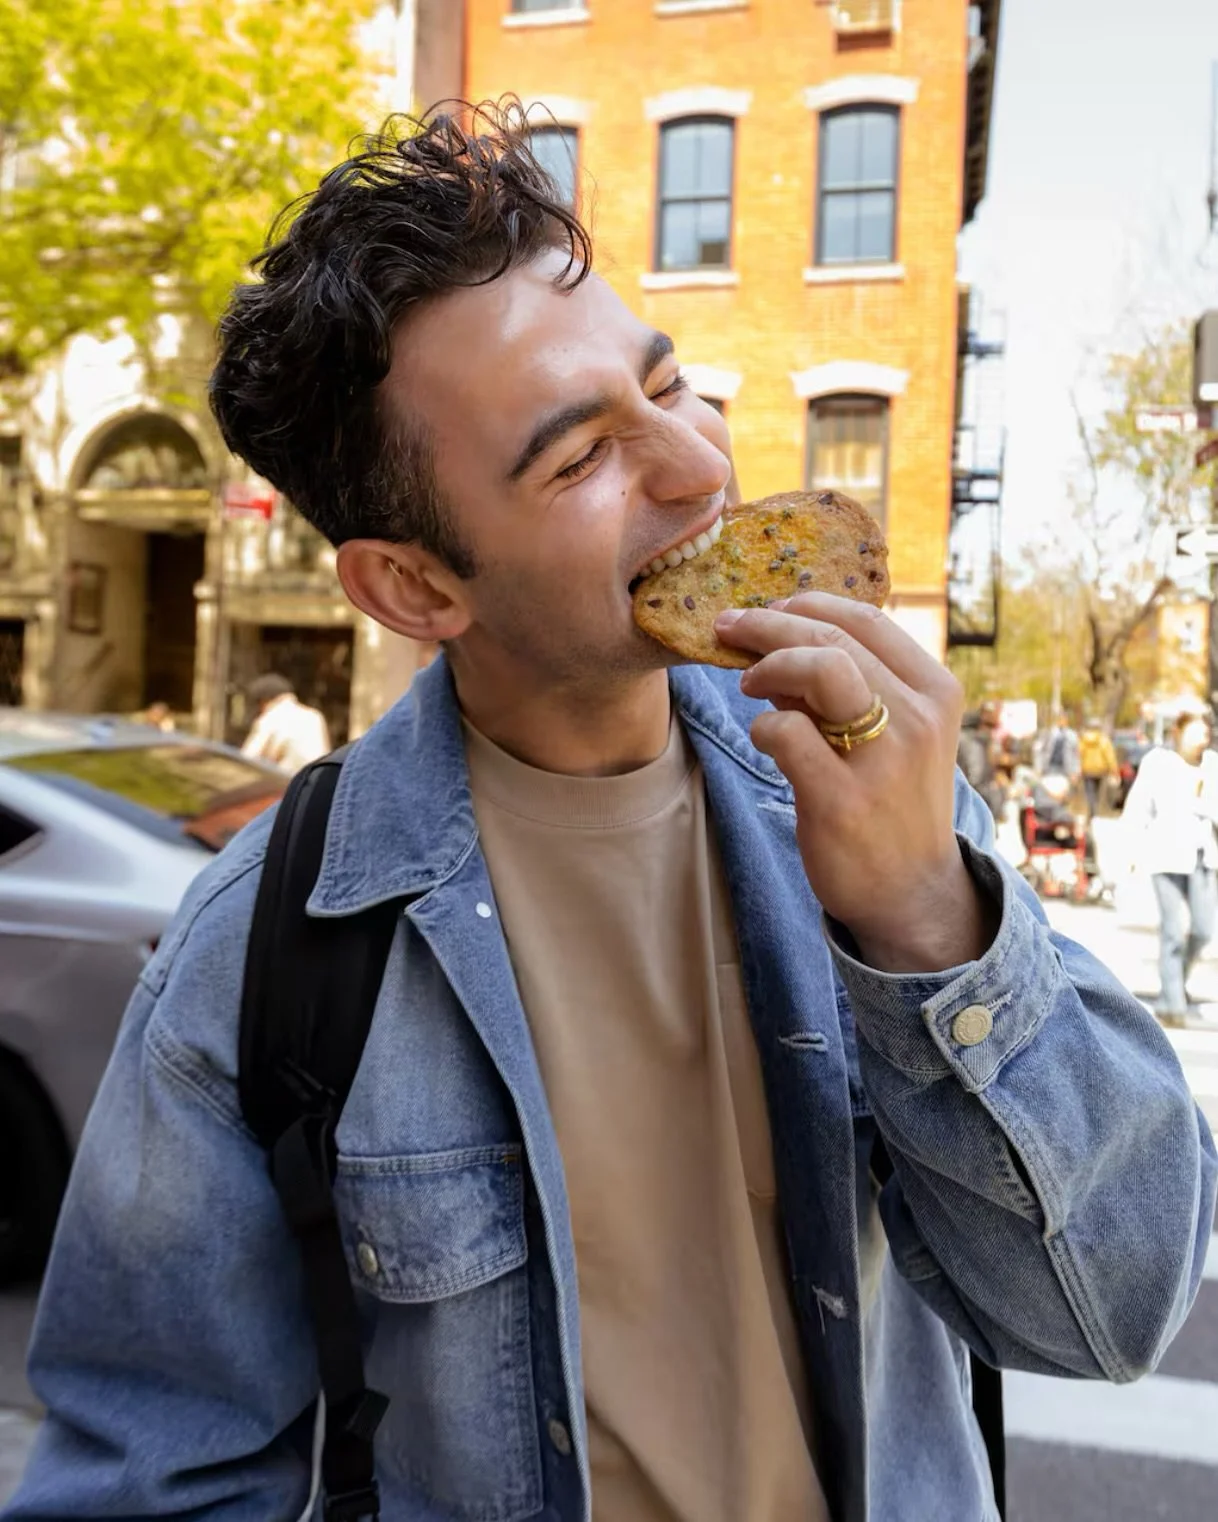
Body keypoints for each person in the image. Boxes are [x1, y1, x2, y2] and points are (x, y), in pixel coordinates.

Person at [8, 104, 1214, 1522]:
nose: (701, 466)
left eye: (674, 384)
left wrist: (926, 917)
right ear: (414, 590)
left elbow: (1110, 1315)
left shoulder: (873, 800)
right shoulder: (260, 954)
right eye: (578, 459)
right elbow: (155, 1481)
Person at [1123, 708, 1218, 1026]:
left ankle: (1177, 978)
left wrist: (1205, 802)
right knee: (1173, 930)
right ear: (1179, 732)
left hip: (1203, 856)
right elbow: (1139, 806)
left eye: (1205, 732)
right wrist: (1132, 850)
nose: (1202, 738)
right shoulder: (1157, 763)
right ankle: (1171, 1002)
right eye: (1196, 731)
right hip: (1165, 854)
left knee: (1204, 930)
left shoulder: (1212, 766)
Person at [239, 671, 331, 774]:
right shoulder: (315, 717)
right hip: (317, 781)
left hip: (288, 783)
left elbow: (247, 760)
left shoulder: (271, 718)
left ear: (263, 701)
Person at [956, 708, 1002, 821]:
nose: (992, 732)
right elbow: (976, 778)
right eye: (991, 726)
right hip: (974, 808)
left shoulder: (961, 739)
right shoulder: (974, 743)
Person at [1078, 715, 1119, 817]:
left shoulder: (1083, 740)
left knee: (1090, 792)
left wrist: (1078, 768)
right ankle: (1095, 812)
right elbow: (1109, 756)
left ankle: (1093, 811)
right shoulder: (1103, 740)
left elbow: (1079, 754)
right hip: (1100, 770)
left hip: (1087, 770)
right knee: (1097, 792)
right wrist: (1114, 769)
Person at [1034, 711, 1080, 785]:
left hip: (1066, 769)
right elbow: (1039, 751)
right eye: (1060, 719)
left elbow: (1076, 755)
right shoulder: (1048, 733)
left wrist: (1075, 772)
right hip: (1049, 768)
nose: (1062, 721)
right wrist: (1039, 768)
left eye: (1064, 719)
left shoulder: (1072, 735)